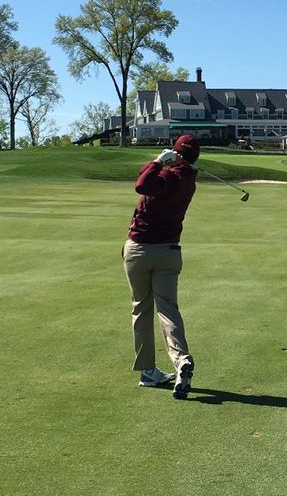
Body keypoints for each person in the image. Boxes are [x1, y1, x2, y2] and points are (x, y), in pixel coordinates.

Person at [122, 134, 200, 400]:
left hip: (140, 250)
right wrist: (163, 163)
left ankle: (147, 371)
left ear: (176, 154)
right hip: (168, 252)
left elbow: (142, 184)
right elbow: (149, 177)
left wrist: (158, 160)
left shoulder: (165, 178)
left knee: (141, 309)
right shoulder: (189, 181)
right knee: (167, 309)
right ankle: (181, 360)